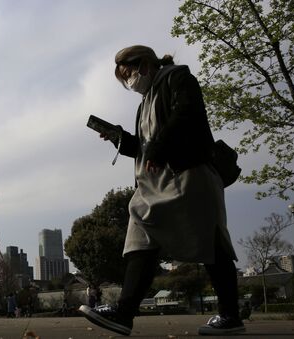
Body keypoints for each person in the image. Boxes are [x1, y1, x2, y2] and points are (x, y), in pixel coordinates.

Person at [78, 45, 245, 336]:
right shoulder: (145, 103)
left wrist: (157, 147)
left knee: (211, 243)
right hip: (155, 185)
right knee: (141, 236)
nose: (129, 81)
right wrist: (120, 139)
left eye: (128, 73)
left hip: (188, 175)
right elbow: (145, 146)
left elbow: (186, 114)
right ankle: (124, 313)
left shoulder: (177, 78)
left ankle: (230, 315)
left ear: (144, 64)